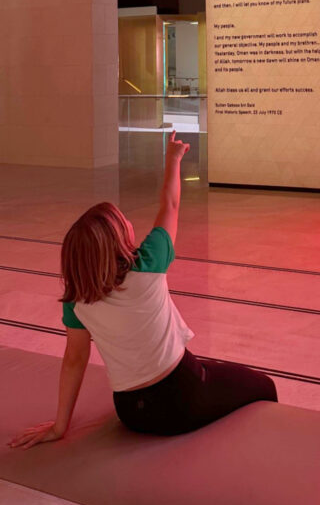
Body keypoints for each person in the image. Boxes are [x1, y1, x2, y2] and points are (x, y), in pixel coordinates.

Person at [8, 132, 277, 449]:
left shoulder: (77, 297)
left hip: (132, 413)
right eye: (123, 221)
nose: (128, 221)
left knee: (211, 372)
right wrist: (173, 159)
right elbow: (170, 203)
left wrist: (59, 426)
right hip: (182, 399)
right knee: (263, 385)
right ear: (119, 239)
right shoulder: (148, 263)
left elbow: (75, 359)